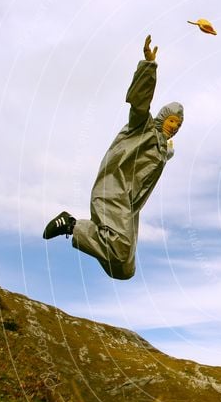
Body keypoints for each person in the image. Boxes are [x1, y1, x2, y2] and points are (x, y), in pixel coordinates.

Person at [42, 34, 183, 280]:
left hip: (128, 207)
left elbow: (161, 155)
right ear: (163, 117)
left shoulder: (162, 149)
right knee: (120, 250)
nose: (174, 127)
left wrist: (168, 152)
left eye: (178, 125)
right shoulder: (142, 127)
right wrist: (149, 68)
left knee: (124, 269)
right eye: (172, 121)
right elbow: (140, 103)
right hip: (113, 190)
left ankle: (98, 238)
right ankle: (72, 225)